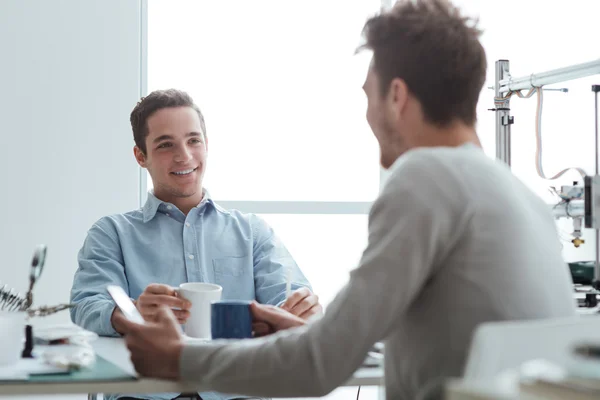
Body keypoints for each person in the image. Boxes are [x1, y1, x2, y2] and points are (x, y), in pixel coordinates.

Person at [116, 1, 577, 399]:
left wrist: (180, 360)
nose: (367, 114)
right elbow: (444, 343)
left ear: (396, 96)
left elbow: (321, 366)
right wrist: (311, 332)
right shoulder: (521, 196)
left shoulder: (426, 177)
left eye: (367, 96)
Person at [70, 89, 322, 400]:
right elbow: (85, 304)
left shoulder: (252, 231)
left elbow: (290, 301)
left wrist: (303, 309)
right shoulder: (112, 233)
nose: (184, 156)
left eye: (193, 140)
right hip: (144, 395)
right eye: (165, 145)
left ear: (206, 145)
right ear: (141, 156)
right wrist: (132, 312)